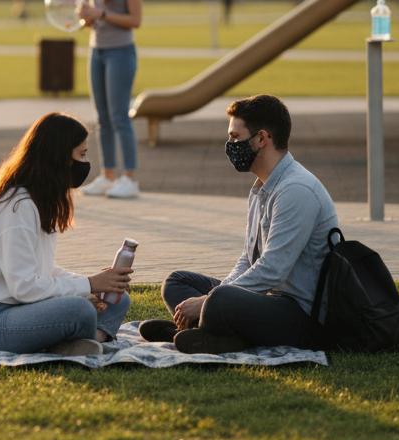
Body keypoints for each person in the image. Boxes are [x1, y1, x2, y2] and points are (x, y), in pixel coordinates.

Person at [138, 94, 338, 354]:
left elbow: (272, 271)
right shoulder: (262, 187)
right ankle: (216, 334)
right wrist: (213, 296)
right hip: (265, 300)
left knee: (220, 299)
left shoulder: (296, 190)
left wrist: (210, 300)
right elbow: (248, 258)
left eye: (235, 137)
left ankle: (205, 330)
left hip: (299, 314)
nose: (230, 144)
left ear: (262, 139)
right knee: (177, 282)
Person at [0, 112, 133, 356]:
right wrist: (87, 284)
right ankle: (81, 339)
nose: (85, 163)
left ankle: (78, 341)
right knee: (80, 311)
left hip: (17, 308)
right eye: (81, 154)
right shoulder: (16, 206)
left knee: (117, 300)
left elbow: (42, 269)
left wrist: (93, 285)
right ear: (59, 157)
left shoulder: (38, 200)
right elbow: (24, 287)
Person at [76, 0, 145, 199]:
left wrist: (100, 13)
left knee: (119, 117)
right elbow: (95, 18)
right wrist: (86, 18)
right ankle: (107, 175)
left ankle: (130, 178)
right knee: (102, 119)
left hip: (120, 52)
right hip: (98, 51)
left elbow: (135, 20)